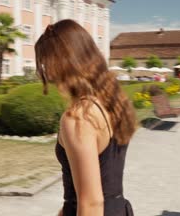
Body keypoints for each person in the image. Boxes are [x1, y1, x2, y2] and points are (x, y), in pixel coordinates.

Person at [35, 19, 136, 216]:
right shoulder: (112, 102)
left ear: (61, 61)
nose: (46, 71)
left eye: (46, 62)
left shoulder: (79, 117)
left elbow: (92, 203)